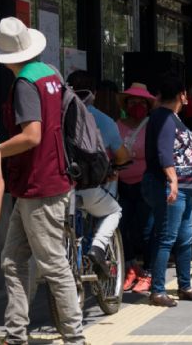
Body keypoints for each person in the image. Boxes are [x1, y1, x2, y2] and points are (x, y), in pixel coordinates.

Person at [0, 17, 86, 344]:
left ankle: (75, 337)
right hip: (50, 180)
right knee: (13, 259)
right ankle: (16, 333)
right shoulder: (51, 74)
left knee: (53, 265)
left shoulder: (23, 85)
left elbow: (31, 136)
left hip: (38, 185)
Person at [142, 74, 192, 307]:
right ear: (182, 95)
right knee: (166, 237)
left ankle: (185, 285)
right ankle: (157, 290)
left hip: (184, 190)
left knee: (185, 238)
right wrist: (173, 180)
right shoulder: (163, 117)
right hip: (169, 187)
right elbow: (163, 151)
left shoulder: (171, 117)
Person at [67, 70, 131, 280]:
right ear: (93, 93)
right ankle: (98, 248)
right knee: (114, 211)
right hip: (90, 187)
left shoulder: (58, 115)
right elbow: (122, 156)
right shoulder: (103, 120)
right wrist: (113, 166)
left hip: (61, 189)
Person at [117, 82, 157, 293]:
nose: (136, 106)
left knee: (146, 230)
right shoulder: (118, 124)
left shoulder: (152, 125)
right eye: (132, 102)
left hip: (145, 185)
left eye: (141, 102)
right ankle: (131, 266)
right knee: (122, 228)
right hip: (121, 185)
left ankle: (149, 271)